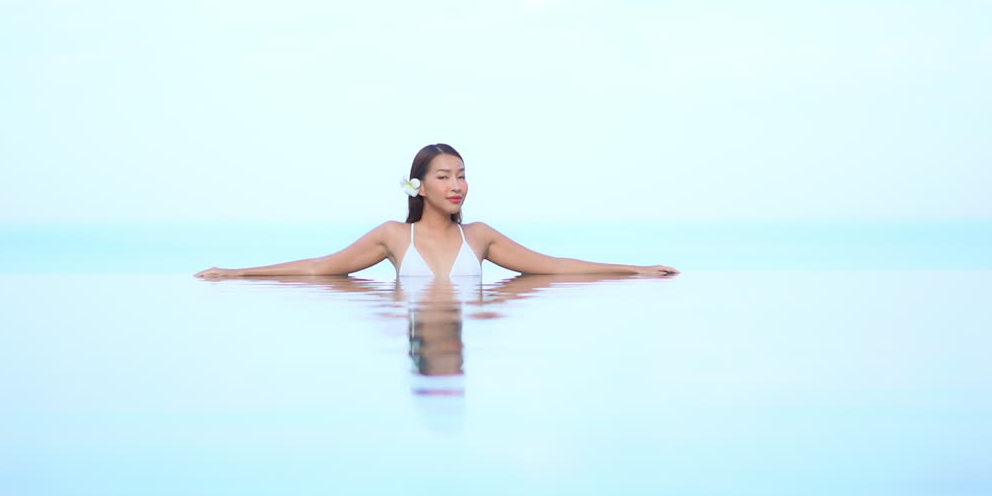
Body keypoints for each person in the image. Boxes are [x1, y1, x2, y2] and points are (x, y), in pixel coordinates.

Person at [194, 143, 679, 280]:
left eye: (461, 175)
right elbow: (322, 267)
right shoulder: (392, 237)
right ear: (419, 186)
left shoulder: (480, 237)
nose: (456, 185)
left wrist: (635, 269)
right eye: (444, 177)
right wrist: (238, 273)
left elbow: (552, 266)